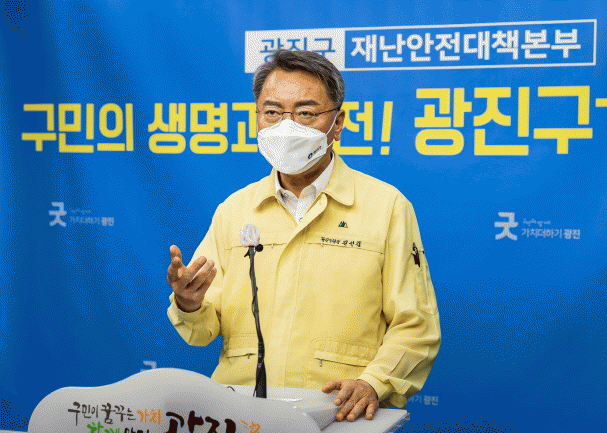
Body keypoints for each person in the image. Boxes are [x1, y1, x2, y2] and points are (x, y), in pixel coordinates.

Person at [166, 49, 441, 422]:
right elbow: (201, 331)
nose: (286, 127)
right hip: (242, 411)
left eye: (306, 113)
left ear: (337, 123)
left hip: (338, 413)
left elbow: (417, 324)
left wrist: (374, 383)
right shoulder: (236, 209)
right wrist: (189, 304)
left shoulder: (386, 207)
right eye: (272, 112)